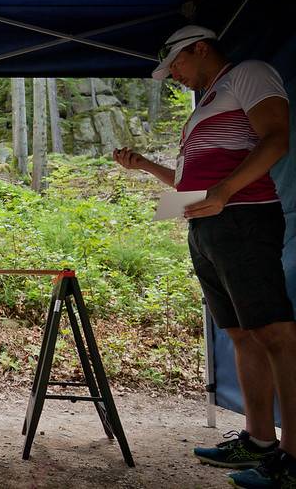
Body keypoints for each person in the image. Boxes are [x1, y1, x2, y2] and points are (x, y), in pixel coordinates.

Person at [114, 25, 296, 488]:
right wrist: (144, 166)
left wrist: (225, 191)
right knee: (240, 333)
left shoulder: (248, 74)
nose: (174, 74)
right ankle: (258, 440)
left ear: (200, 48)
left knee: (274, 331)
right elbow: (189, 182)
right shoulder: (209, 101)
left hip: (245, 218)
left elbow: (276, 137)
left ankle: (294, 457)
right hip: (208, 224)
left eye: (176, 63)